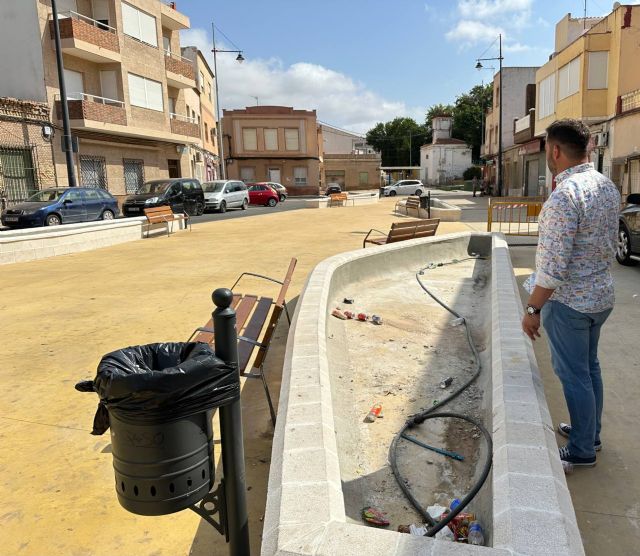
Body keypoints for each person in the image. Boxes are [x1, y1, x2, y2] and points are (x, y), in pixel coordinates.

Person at [521, 119, 620, 469]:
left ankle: (581, 450)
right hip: (600, 298)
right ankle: (588, 433)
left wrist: (532, 310)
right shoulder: (607, 186)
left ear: (555, 150)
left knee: (575, 373)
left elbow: (552, 270)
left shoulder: (564, 197)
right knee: (589, 368)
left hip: (570, 304)